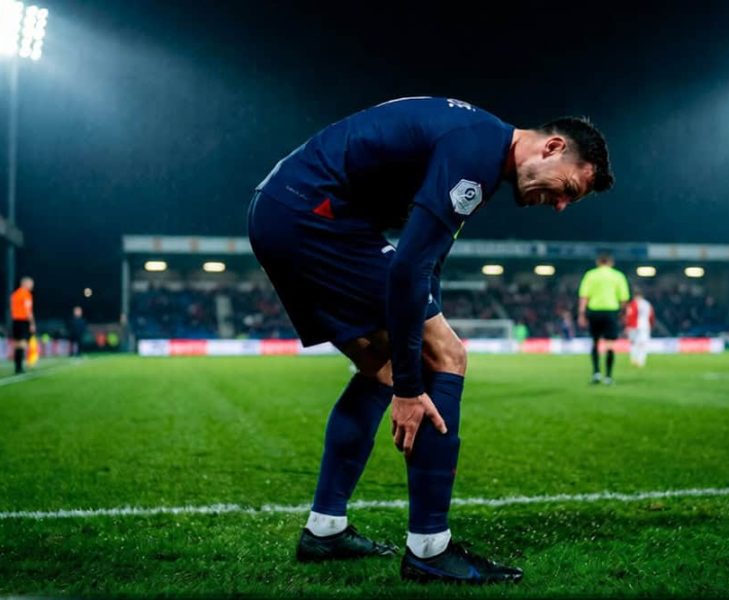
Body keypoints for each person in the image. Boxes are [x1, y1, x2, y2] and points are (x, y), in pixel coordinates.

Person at [247, 96, 613, 583]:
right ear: (551, 146)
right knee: (448, 356)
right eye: (569, 187)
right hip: (312, 217)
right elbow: (407, 267)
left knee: (381, 366)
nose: (562, 205)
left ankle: (326, 528)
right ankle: (429, 547)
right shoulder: (476, 152)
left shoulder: (478, 145)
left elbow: (427, 259)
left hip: (286, 210)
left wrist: (401, 369)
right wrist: (408, 387)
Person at [577, 254, 629, 384]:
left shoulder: (590, 275)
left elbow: (584, 297)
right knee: (610, 344)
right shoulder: (618, 276)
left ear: (598, 262)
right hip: (611, 311)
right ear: (611, 262)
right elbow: (623, 299)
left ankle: (596, 373)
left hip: (594, 311)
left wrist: (582, 314)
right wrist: (623, 315)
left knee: (595, 342)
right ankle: (608, 376)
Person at [10, 276, 35, 375]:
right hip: (23, 321)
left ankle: (17, 367)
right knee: (23, 344)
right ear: (25, 283)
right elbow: (28, 311)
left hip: (15, 321)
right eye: (31, 283)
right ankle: (20, 367)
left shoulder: (15, 294)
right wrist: (32, 323)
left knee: (17, 344)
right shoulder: (26, 294)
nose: (32, 285)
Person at [625, 287, 655, 367]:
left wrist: (627, 326)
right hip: (645, 326)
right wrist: (651, 325)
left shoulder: (632, 304)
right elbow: (651, 316)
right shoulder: (647, 304)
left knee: (633, 343)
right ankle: (641, 361)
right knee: (643, 343)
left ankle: (634, 359)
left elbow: (629, 315)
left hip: (633, 326)